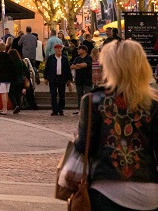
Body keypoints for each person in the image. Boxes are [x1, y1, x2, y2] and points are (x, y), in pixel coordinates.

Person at [74, 40, 158, 210]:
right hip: (148, 191)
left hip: (106, 188)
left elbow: (83, 146)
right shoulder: (153, 103)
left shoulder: (93, 100)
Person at [44, 42, 71, 116]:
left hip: (62, 78)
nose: (59, 50)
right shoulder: (51, 58)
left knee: (62, 95)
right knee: (53, 94)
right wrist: (46, 78)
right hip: (53, 78)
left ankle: (60, 109)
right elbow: (47, 68)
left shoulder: (64, 58)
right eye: (57, 49)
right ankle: (54, 109)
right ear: (54, 50)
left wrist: (69, 79)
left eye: (60, 48)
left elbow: (68, 69)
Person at [69, 43, 93, 115]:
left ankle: (88, 110)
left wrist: (79, 65)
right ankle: (80, 110)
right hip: (79, 79)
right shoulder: (77, 58)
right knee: (79, 95)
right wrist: (80, 65)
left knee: (88, 95)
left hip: (87, 80)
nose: (78, 51)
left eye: (79, 49)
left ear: (84, 50)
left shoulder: (89, 57)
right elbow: (72, 66)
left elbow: (86, 65)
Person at [0, 42, 14, 115]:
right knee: (6, 93)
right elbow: (12, 67)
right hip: (9, 77)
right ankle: (5, 108)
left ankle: (4, 109)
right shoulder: (8, 56)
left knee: (3, 93)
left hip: (1, 77)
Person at [7, 49, 27, 114]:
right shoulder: (21, 61)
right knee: (18, 94)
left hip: (12, 79)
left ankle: (15, 105)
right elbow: (26, 70)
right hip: (20, 79)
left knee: (10, 93)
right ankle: (18, 106)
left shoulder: (10, 62)